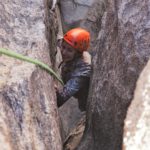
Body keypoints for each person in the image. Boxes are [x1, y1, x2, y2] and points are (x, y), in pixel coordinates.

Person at [56, 28, 92, 111]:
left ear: (78, 54)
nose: (64, 52)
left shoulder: (84, 70)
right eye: (63, 47)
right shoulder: (71, 45)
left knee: (84, 108)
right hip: (70, 74)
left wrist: (56, 92)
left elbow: (61, 99)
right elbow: (56, 38)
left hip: (83, 96)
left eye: (69, 50)